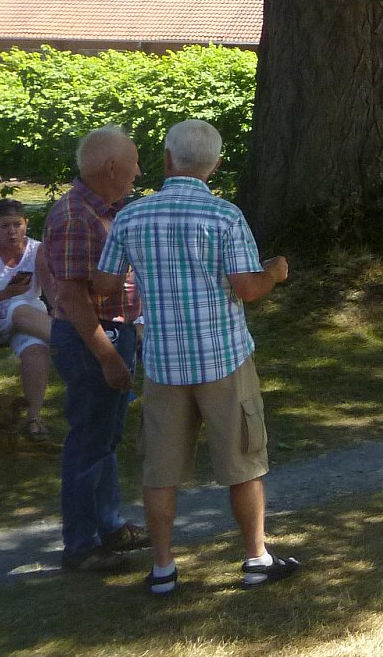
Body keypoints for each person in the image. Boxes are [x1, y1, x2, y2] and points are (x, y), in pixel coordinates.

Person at [94, 119, 298, 595]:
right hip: (223, 356)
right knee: (243, 460)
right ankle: (255, 558)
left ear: (167, 160)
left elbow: (104, 285)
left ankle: (163, 569)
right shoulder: (226, 216)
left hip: (163, 361)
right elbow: (246, 288)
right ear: (216, 165)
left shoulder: (131, 216)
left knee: (160, 470)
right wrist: (275, 272)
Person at [44, 126, 148, 572]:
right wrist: (107, 356)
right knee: (88, 440)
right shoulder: (74, 216)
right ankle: (81, 545)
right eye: (134, 162)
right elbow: (71, 298)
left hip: (113, 333)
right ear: (111, 168)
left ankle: (109, 526)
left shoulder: (107, 210)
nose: (138, 171)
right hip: (92, 338)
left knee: (106, 435)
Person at [0, 199, 52, 442]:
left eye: (16, 224)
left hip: (30, 316)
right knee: (18, 307)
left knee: (36, 350)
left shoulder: (38, 250)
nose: (12, 232)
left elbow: (52, 291)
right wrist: (5, 294)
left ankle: (33, 418)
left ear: (25, 224)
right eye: (4, 226)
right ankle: (73, 341)